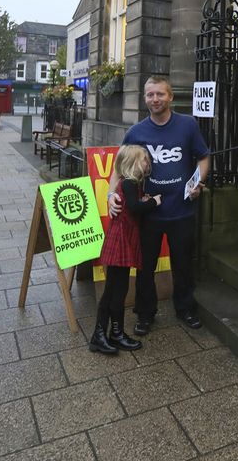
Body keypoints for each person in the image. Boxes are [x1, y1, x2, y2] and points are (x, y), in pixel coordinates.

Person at [107, 76, 210, 334]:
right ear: (145, 99)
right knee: (145, 268)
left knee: (183, 265)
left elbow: (204, 157)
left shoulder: (187, 125)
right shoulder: (136, 132)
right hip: (148, 215)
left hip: (182, 211)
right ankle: (145, 314)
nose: (155, 99)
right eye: (150, 95)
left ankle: (185, 308)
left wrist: (197, 183)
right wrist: (110, 195)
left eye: (160, 94)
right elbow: (119, 168)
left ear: (170, 96)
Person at [91, 145, 158, 353]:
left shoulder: (133, 184)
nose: (148, 162)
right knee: (112, 289)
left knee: (119, 289)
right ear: (134, 163)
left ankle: (116, 333)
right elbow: (134, 207)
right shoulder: (128, 183)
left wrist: (142, 200)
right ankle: (99, 335)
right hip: (119, 240)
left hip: (124, 239)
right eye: (145, 159)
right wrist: (153, 202)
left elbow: (133, 205)